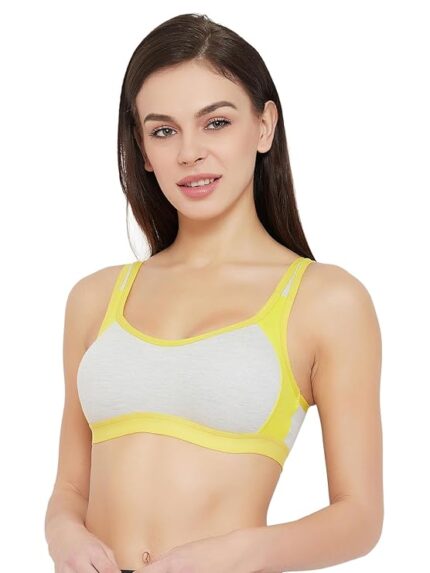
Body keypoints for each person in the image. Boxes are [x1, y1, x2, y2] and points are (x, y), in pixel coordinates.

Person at [44, 12, 383, 573]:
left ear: (264, 126)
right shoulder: (94, 298)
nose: (189, 153)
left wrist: (231, 555)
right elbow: (70, 489)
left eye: (216, 123)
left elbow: (359, 517)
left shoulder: (326, 301)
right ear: (143, 149)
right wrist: (63, 537)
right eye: (163, 130)